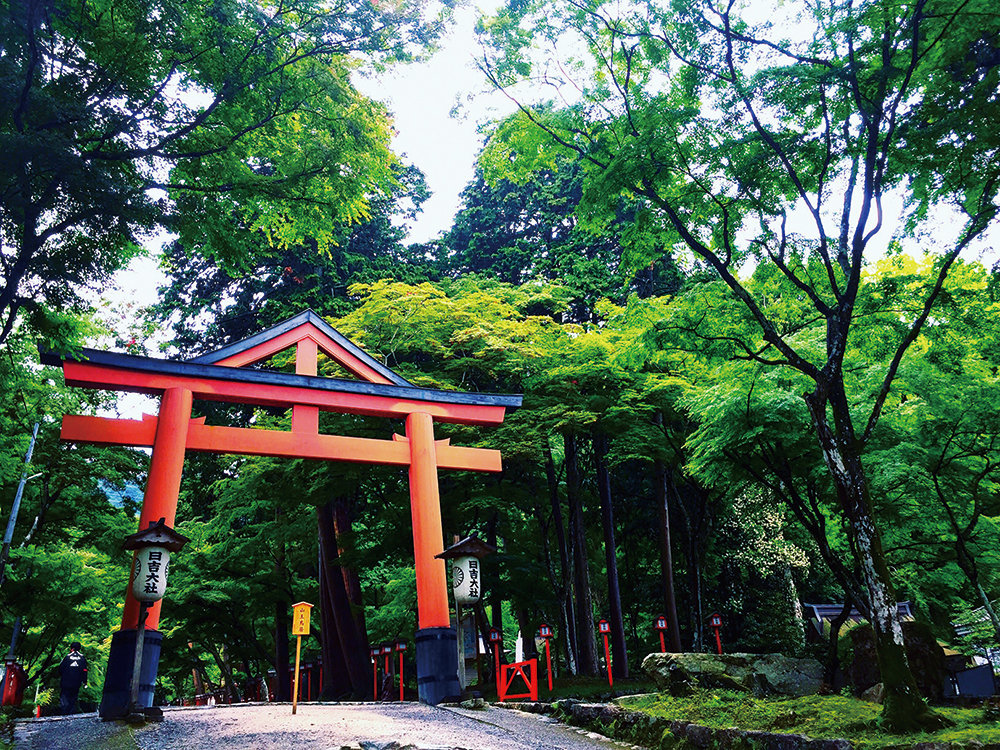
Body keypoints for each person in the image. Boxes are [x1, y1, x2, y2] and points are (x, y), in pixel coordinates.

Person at [58, 642, 88, 714]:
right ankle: (70, 711)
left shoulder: (67, 657)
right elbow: (84, 670)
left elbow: (60, 668)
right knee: (73, 696)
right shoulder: (82, 657)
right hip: (76, 681)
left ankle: (64, 710)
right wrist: (85, 681)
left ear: (71, 648)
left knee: (65, 695)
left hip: (66, 681)